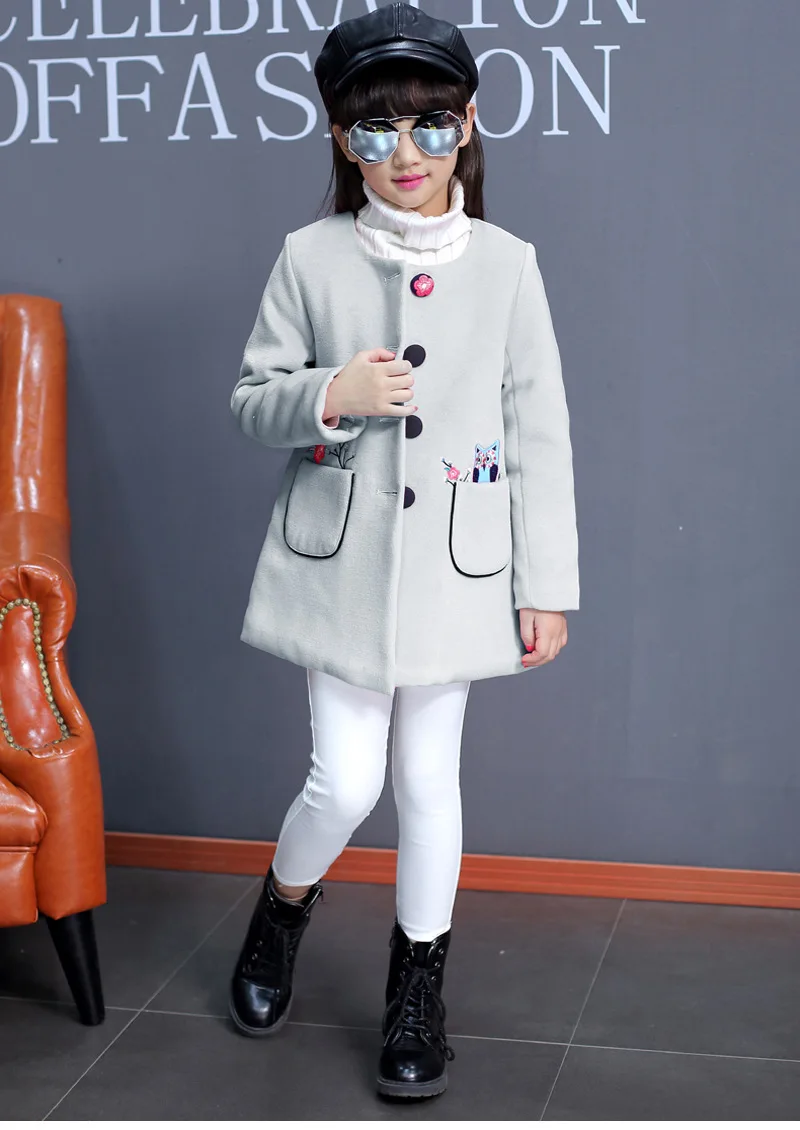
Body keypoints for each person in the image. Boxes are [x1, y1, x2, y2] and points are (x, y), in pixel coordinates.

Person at [227, 1, 579, 1103]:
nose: (406, 153)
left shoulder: (509, 264)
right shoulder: (308, 256)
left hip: (457, 572)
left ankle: (416, 992)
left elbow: (538, 430)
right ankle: (281, 909)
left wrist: (546, 585)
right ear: (343, 140)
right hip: (337, 564)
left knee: (428, 782)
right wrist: (330, 394)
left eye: (430, 124)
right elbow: (250, 402)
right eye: (375, 129)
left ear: (467, 125)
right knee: (343, 782)